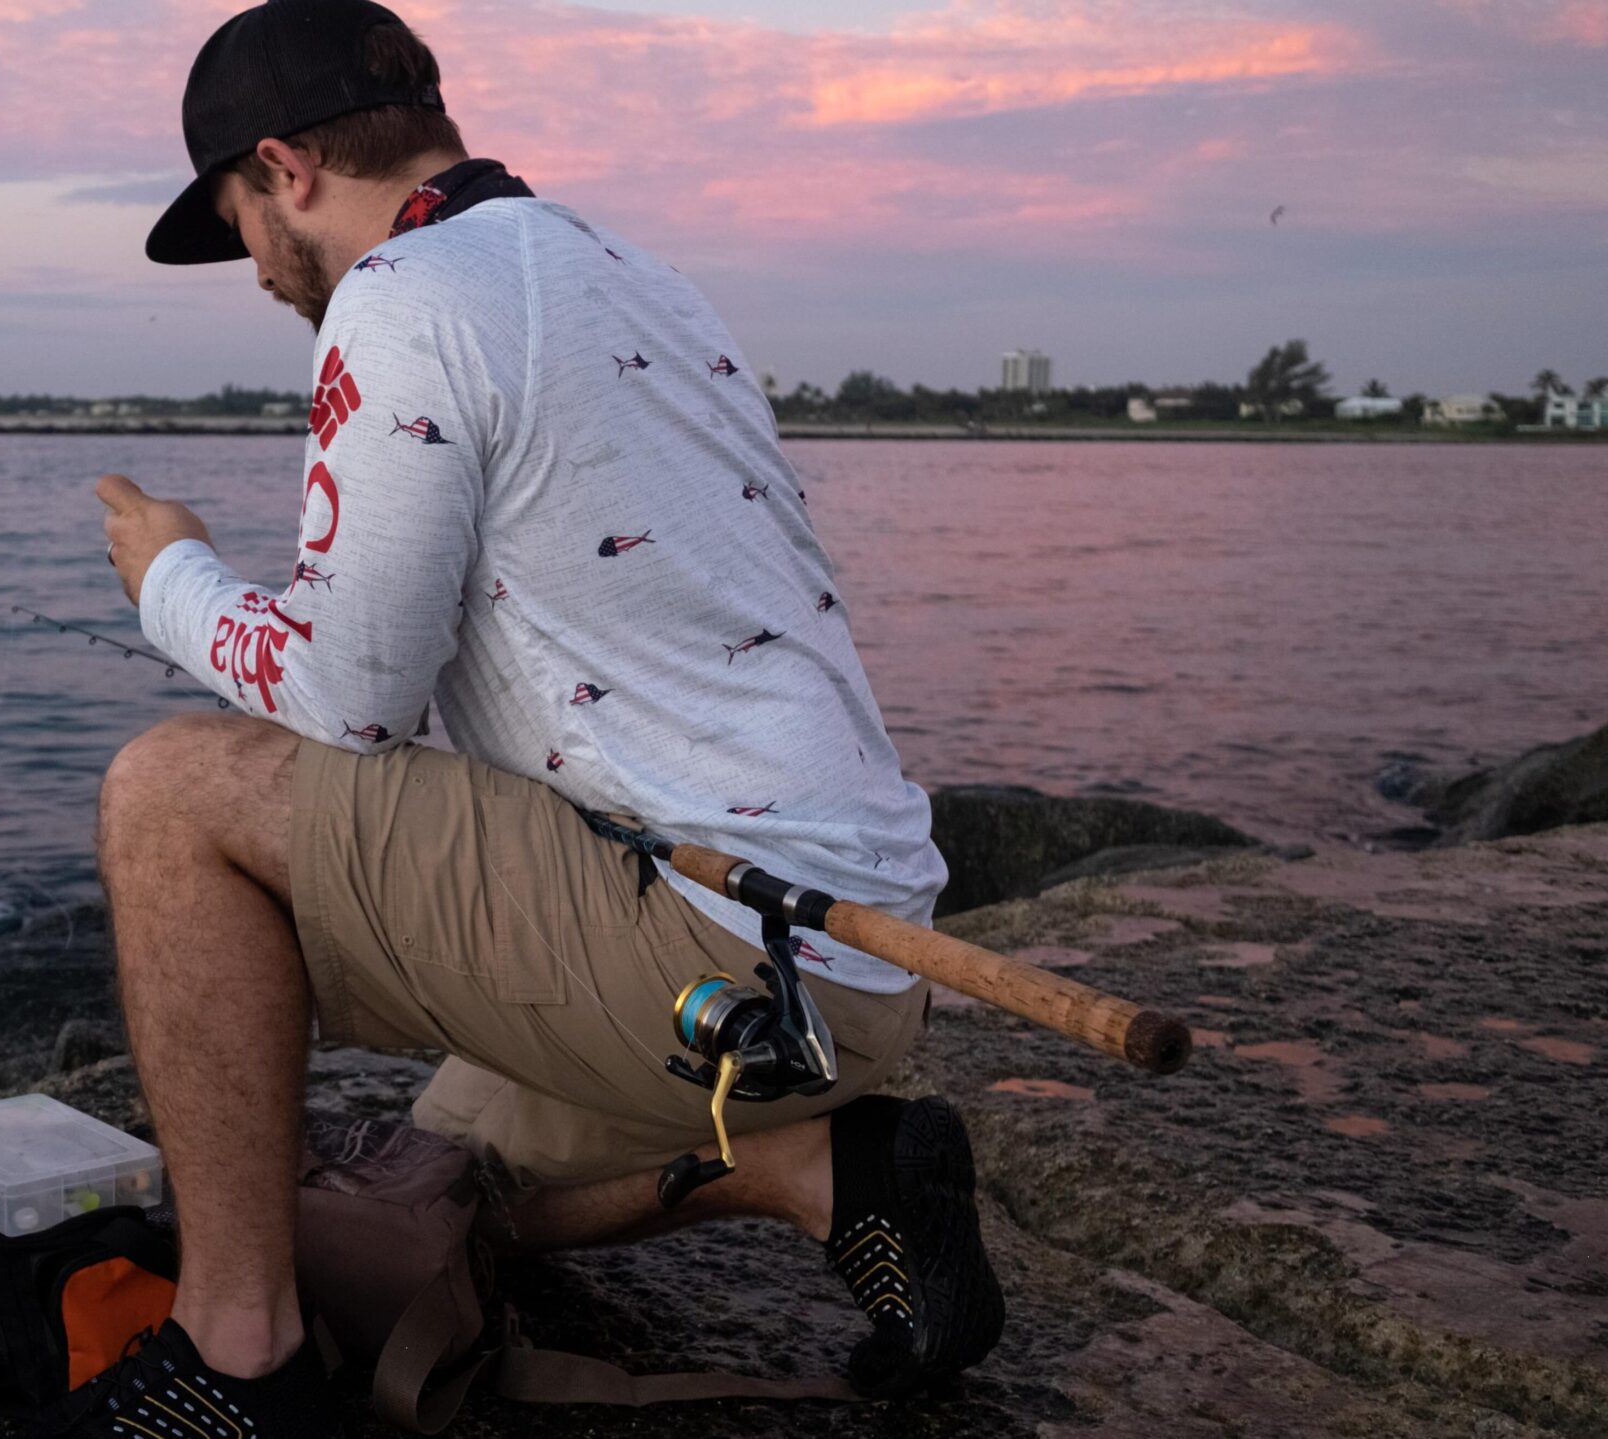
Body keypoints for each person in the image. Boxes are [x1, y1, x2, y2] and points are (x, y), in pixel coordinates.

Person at [62, 3, 1003, 1433]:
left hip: (705, 939)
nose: (253, 263)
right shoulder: (632, 274)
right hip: (860, 963)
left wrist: (168, 576)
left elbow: (350, 698)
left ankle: (233, 1363)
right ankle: (827, 1173)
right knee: (413, 1192)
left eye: (240, 218)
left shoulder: (405, 294)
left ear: (285, 169)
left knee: (166, 794)